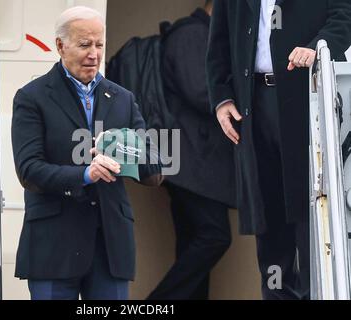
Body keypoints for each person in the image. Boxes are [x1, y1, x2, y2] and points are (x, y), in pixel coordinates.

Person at [11, 6, 162, 300]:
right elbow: (29, 170)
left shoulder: (123, 98)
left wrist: (122, 146)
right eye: (84, 45)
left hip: (110, 248)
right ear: (60, 46)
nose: (94, 53)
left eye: (99, 45)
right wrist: (85, 174)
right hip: (52, 246)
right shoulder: (32, 97)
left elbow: (155, 170)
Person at [206, 0, 351, 299]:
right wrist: (221, 97)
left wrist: (318, 47)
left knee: (312, 216)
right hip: (253, 104)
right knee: (269, 222)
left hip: (306, 100)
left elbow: (345, 15)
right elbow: (219, 37)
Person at [147, 0, 236, 300]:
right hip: (190, 163)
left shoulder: (203, 35)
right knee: (214, 236)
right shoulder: (192, 34)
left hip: (193, 162)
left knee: (192, 241)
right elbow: (201, 91)